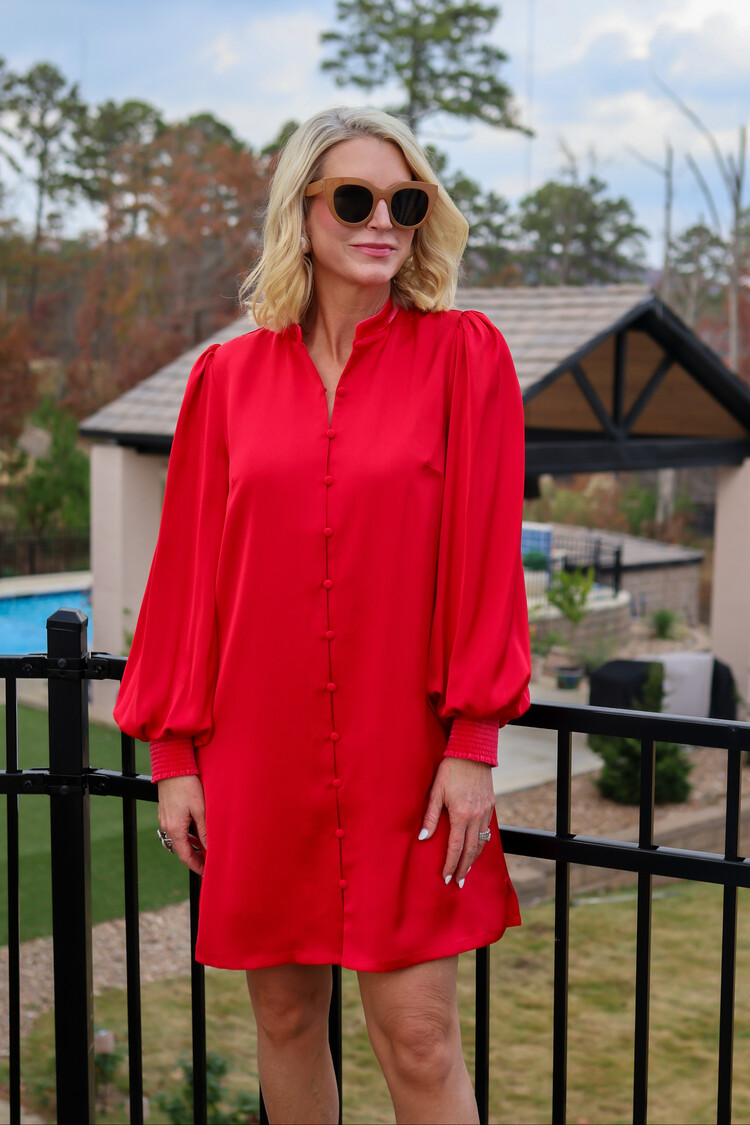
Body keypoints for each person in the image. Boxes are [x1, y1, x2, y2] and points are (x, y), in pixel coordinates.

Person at [114, 105, 531, 1125]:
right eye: (355, 198)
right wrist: (175, 755)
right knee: (288, 1018)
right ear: (301, 211)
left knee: (420, 1039)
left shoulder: (465, 357)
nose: (382, 220)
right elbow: (188, 579)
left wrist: (472, 742)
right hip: (259, 752)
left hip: (410, 756)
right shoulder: (225, 379)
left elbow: (487, 560)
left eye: (405, 201)